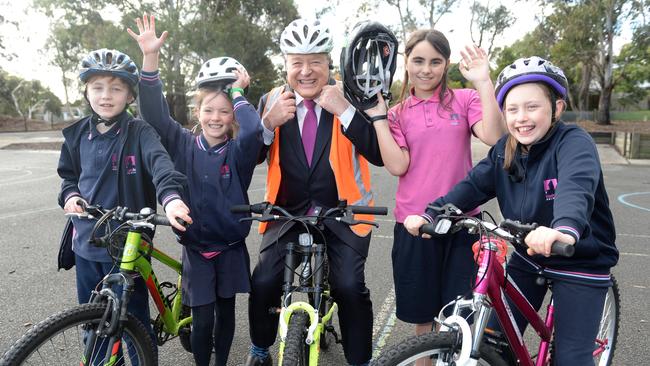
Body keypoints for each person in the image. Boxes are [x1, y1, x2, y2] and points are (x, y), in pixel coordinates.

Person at [404, 56, 619, 365]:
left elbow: (576, 186)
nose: (522, 118)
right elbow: (471, 187)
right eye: (512, 109)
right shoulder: (506, 149)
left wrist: (565, 229)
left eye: (532, 107)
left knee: (571, 358)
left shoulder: (573, 142)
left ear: (557, 107)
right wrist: (432, 214)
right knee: (494, 342)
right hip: (529, 258)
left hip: (579, 259)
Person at [245, 18, 384, 366]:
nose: (306, 71)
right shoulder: (271, 99)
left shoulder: (351, 95)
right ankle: (260, 348)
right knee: (262, 281)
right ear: (286, 66)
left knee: (349, 287)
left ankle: (360, 360)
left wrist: (346, 111)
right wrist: (267, 124)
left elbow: (378, 154)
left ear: (328, 63)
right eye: (297, 62)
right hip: (287, 211)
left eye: (315, 61)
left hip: (345, 213)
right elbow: (252, 157)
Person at [128, 14, 263, 366]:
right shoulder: (183, 143)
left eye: (224, 112)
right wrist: (150, 59)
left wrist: (237, 93)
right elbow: (155, 115)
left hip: (230, 248)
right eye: (208, 110)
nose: (216, 118)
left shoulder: (238, 153)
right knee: (202, 321)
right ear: (197, 111)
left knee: (226, 316)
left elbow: (252, 131)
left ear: (232, 116)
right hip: (197, 251)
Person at [365, 29, 505, 366]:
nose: (426, 69)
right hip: (416, 224)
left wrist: (485, 82)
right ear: (406, 63)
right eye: (418, 61)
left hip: (462, 223)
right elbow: (398, 165)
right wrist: (380, 119)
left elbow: (494, 136)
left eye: (435, 61)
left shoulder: (466, 99)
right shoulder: (398, 112)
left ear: (446, 64)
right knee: (424, 318)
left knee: (457, 315)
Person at [57, 47, 192, 360]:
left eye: (116, 88)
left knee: (133, 323)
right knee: (94, 321)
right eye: (98, 87)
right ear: (87, 91)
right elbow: (68, 178)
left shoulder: (140, 132)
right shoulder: (76, 135)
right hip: (86, 243)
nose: (106, 95)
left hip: (128, 242)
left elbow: (160, 165)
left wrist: (171, 200)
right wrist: (71, 195)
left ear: (130, 96)